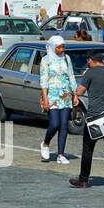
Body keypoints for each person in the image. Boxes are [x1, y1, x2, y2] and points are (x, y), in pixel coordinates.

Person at [69, 52, 104, 191]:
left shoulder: (90, 73)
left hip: (95, 118)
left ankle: (83, 180)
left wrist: (86, 77)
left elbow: (79, 92)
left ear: (90, 60)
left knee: (88, 149)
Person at [39, 36, 76, 164]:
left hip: (66, 95)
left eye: (62, 47)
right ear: (53, 47)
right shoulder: (45, 60)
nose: (61, 50)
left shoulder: (67, 58)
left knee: (64, 125)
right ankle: (45, 143)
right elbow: (44, 80)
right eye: (58, 47)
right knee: (55, 124)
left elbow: (71, 76)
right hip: (52, 96)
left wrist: (75, 94)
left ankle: (60, 154)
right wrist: (45, 99)